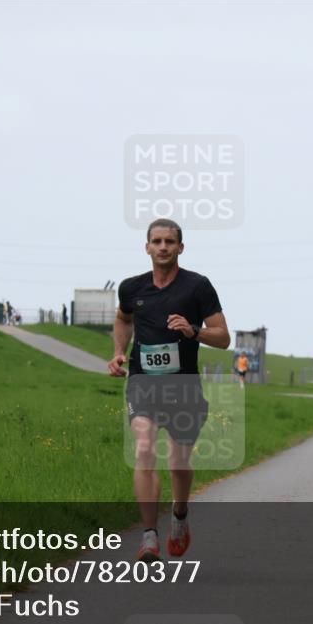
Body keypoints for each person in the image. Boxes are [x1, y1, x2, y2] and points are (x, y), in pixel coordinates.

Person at [108, 218, 230, 562]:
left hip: (184, 386)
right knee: (144, 448)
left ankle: (179, 515)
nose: (163, 247)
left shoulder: (197, 286)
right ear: (147, 247)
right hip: (143, 383)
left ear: (180, 247)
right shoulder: (131, 288)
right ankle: (149, 536)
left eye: (170, 242)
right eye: (157, 241)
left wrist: (193, 331)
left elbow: (223, 337)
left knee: (178, 463)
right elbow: (123, 318)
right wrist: (119, 351)